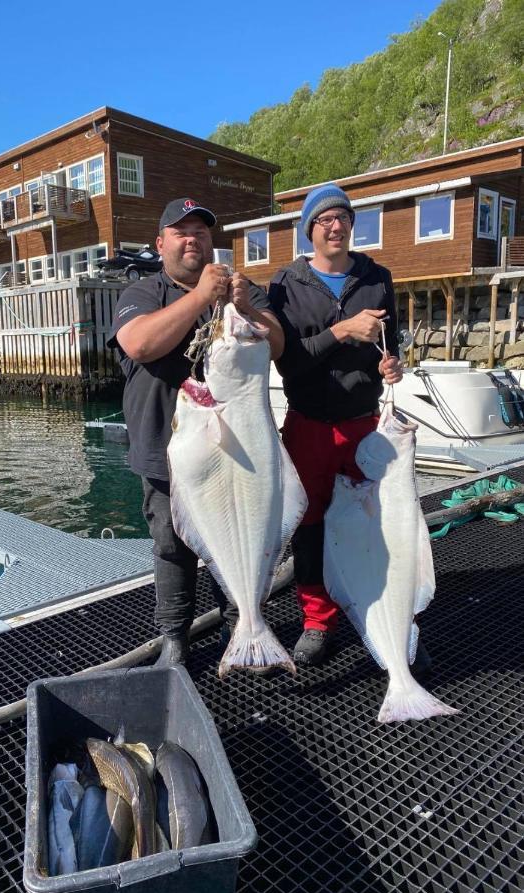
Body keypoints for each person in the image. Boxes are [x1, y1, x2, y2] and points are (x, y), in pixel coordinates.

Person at [108, 198, 284, 666]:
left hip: (239, 448)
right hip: (167, 452)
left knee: (243, 535)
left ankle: (242, 625)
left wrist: (244, 306)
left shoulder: (240, 292)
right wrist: (202, 297)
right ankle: (174, 640)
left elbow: (279, 343)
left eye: (201, 232)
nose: (192, 240)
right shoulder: (142, 294)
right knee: (171, 546)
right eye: (181, 232)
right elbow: (140, 343)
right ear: (160, 243)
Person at [270, 183, 430, 671]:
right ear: (309, 230)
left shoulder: (377, 277)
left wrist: (392, 366)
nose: (335, 226)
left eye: (343, 217)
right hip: (309, 425)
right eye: (324, 220)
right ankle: (318, 621)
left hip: (365, 424)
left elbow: (389, 341)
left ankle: (383, 618)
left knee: (380, 528)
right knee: (310, 527)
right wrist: (342, 331)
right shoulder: (286, 284)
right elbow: (288, 365)